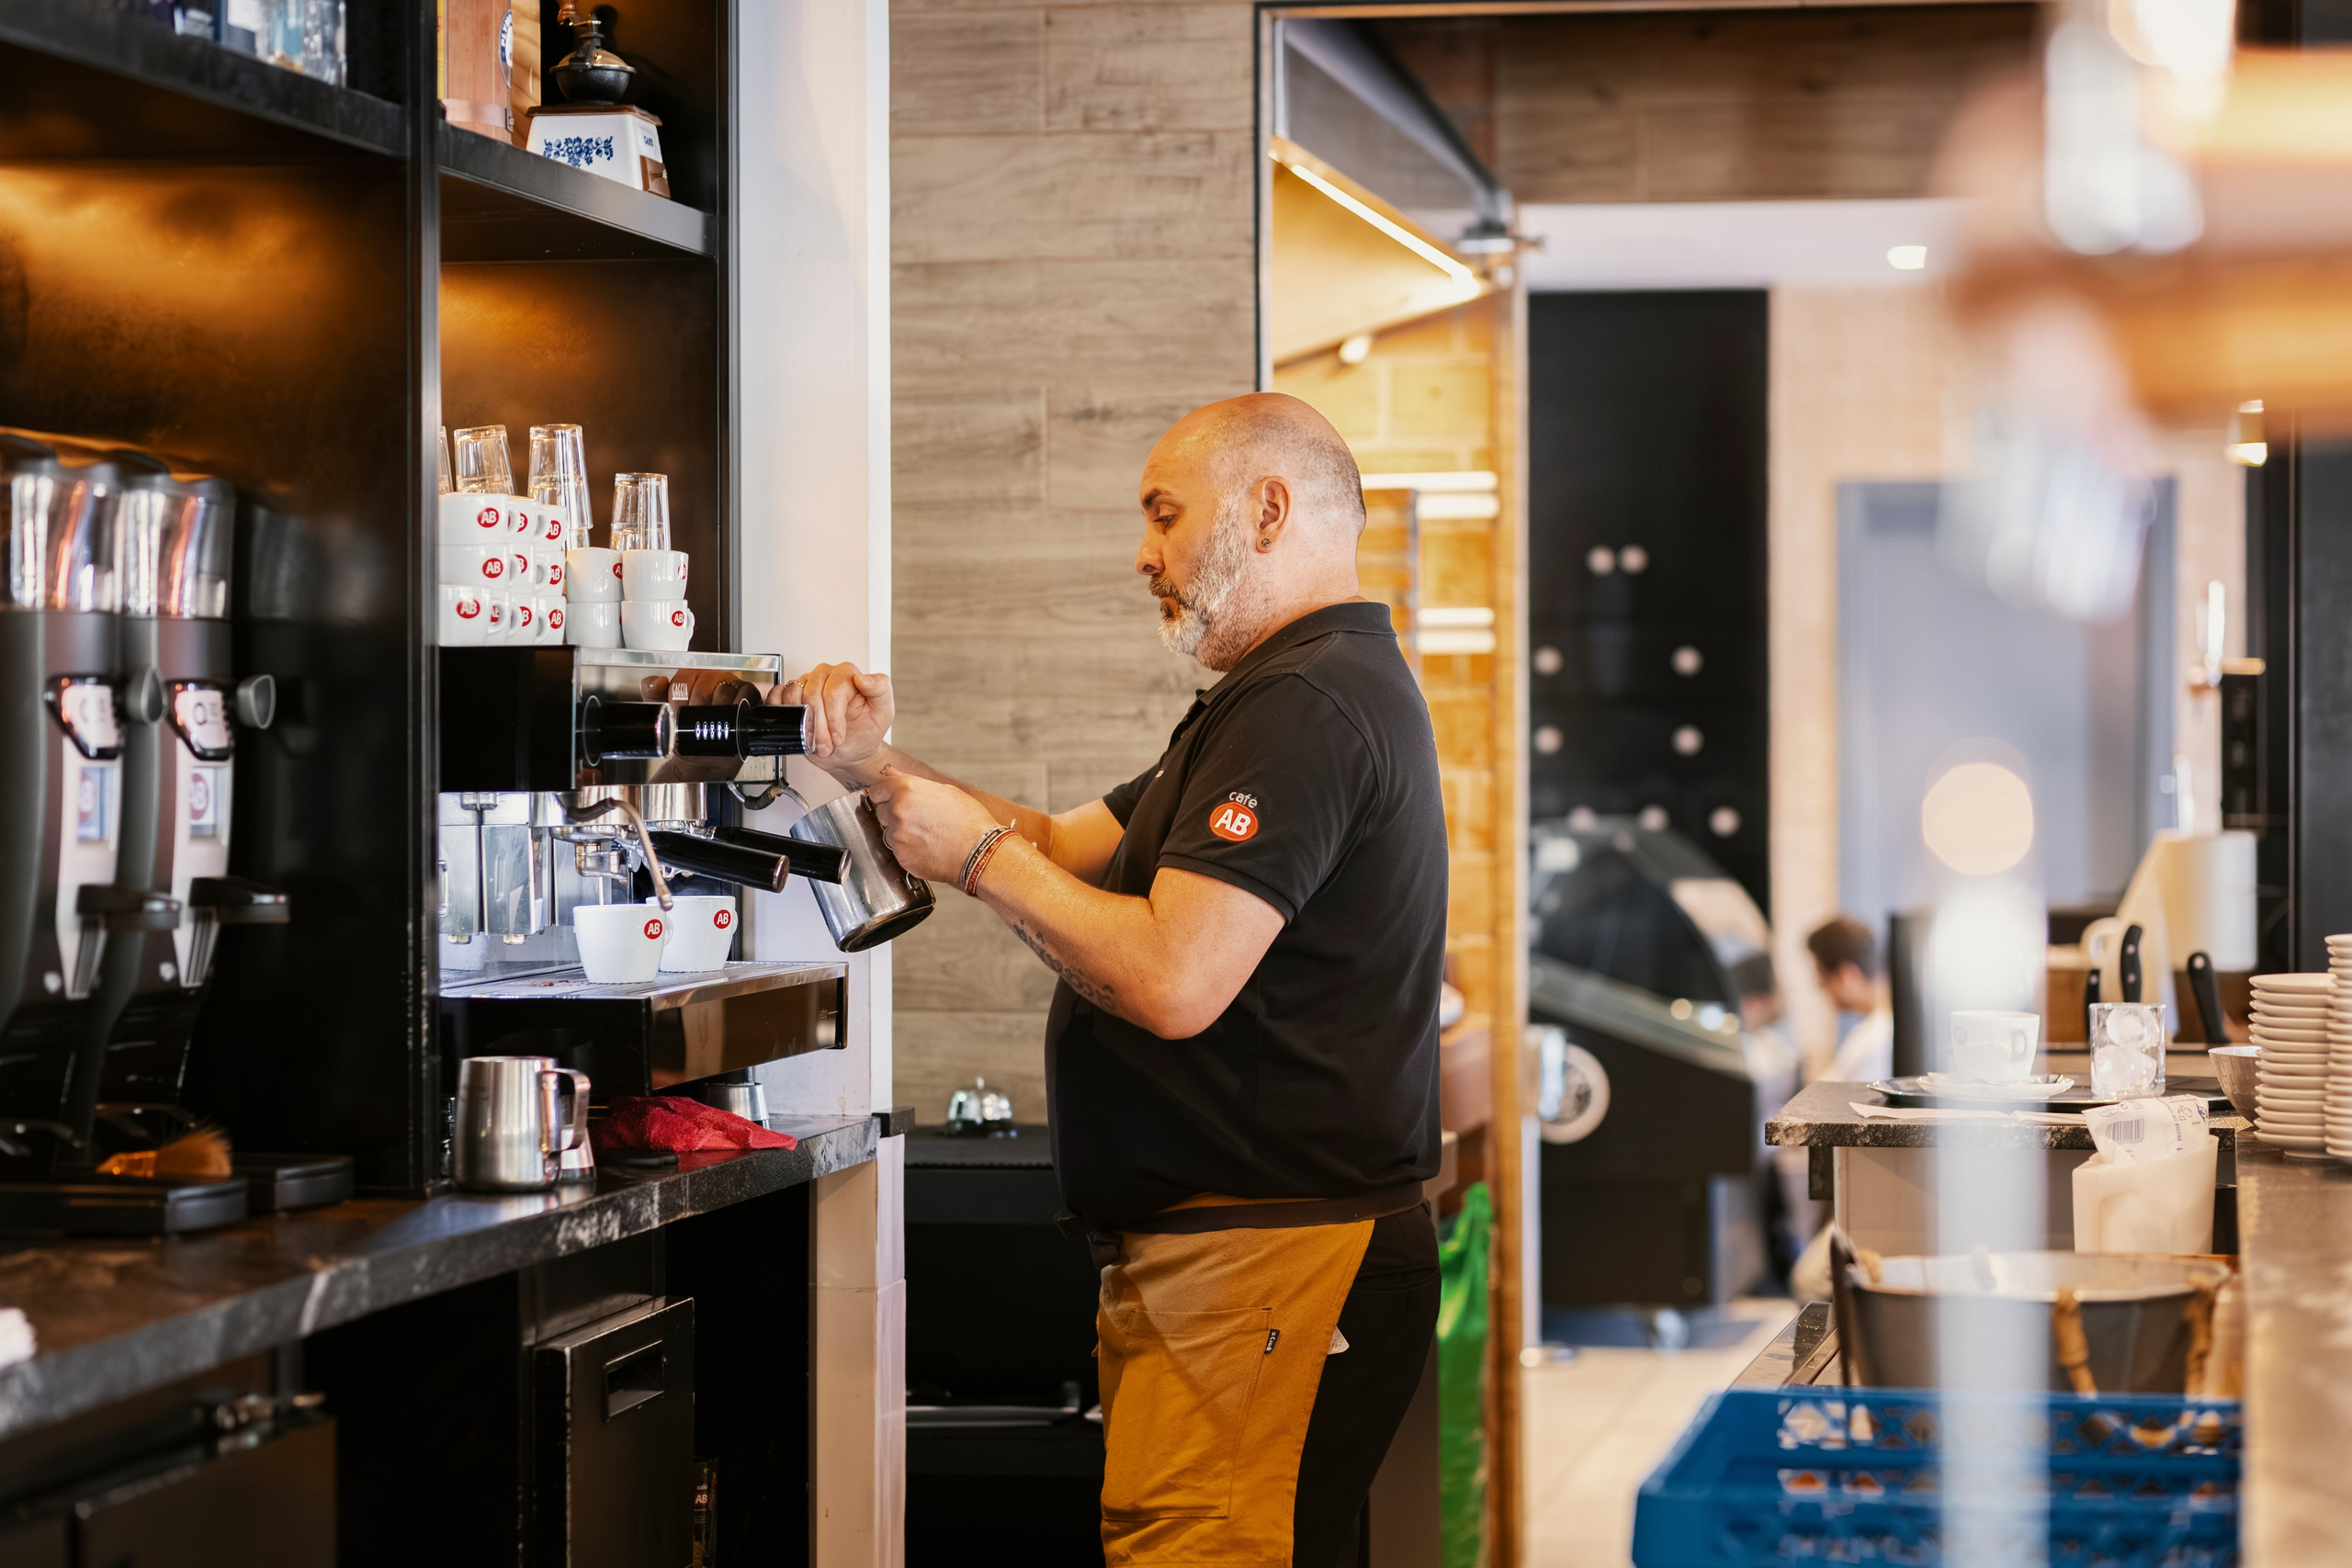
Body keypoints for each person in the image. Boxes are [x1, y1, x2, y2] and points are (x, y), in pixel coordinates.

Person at [782, 392, 1448, 1568]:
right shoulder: (1274, 698)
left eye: (1164, 514)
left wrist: (978, 863)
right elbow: (1054, 837)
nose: (1143, 553)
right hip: (1233, 1259)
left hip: (1266, 1261)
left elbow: (1174, 979)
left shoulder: (1306, 705)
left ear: (1267, 509)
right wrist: (872, 768)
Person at [1807, 915, 1893, 1086]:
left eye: (1822, 980)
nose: (1823, 991)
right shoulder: (1875, 1031)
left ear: (1847, 976)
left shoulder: (1875, 1040)